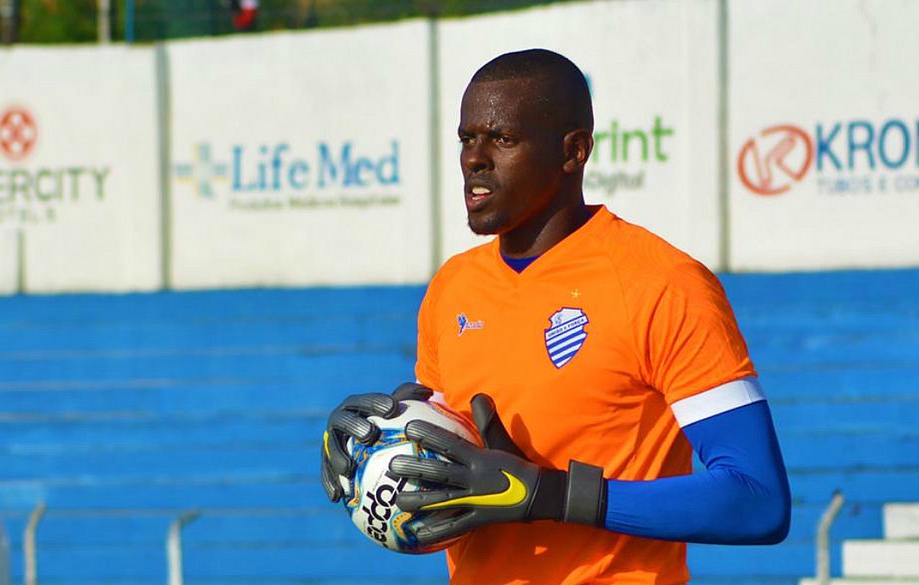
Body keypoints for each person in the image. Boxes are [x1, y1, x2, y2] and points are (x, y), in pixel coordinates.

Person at [321, 48, 791, 585]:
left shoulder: (663, 283)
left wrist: (550, 495)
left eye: (502, 139)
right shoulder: (452, 286)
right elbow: (458, 470)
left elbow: (758, 499)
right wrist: (377, 447)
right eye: (466, 138)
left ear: (574, 151)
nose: (474, 158)